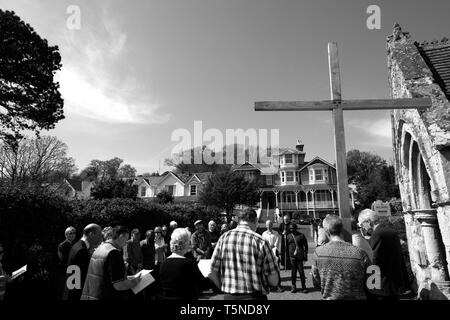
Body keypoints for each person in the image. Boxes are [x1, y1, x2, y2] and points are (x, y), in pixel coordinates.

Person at [210, 208, 280, 300]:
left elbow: (213, 271)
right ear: (255, 221)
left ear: (239, 220)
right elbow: (274, 280)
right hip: (255, 296)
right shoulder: (261, 241)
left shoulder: (224, 238)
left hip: (230, 296)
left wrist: (223, 288)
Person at [311, 215, 370, 300]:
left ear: (327, 231)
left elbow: (316, 281)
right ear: (342, 229)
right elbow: (373, 280)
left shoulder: (318, 253)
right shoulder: (360, 253)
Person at [358, 209, 410, 300]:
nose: (363, 228)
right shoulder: (391, 231)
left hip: (382, 285)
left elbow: (374, 260)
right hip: (395, 282)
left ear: (368, 222)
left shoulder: (377, 234)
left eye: (362, 225)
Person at [81, 226, 141, 300]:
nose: (126, 243)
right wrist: (135, 281)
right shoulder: (114, 253)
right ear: (121, 237)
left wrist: (125, 278)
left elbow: (104, 275)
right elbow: (119, 285)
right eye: (126, 239)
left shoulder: (100, 247)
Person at [159, 228, 208, 299]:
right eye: (189, 241)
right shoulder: (189, 264)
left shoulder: (163, 263)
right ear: (185, 243)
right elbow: (203, 285)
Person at [65, 224, 103, 300]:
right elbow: (84, 277)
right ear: (91, 234)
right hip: (77, 294)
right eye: (99, 235)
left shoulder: (77, 245)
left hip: (72, 290)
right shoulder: (82, 251)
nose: (101, 238)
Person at [261, 220, 283, 293]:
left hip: (274, 253)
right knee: (266, 270)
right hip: (266, 254)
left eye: (270, 224)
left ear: (272, 225)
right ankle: (268, 285)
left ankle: (278, 285)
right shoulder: (263, 234)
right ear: (266, 226)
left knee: (277, 270)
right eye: (267, 225)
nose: (269, 226)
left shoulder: (276, 233)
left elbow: (276, 243)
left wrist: (271, 247)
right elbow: (262, 243)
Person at [287, 223, 308, 293]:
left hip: (299, 257)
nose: (291, 229)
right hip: (292, 257)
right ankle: (293, 286)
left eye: (293, 228)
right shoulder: (288, 236)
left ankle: (303, 286)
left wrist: (305, 255)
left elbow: (306, 246)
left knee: (301, 271)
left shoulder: (301, 236)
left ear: (296, 228)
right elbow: (286, 248)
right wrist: (287, 258)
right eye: (290, 228)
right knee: (293, 272)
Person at [56, 226, 76, 299]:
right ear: (66, 235)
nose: (73, 235)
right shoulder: (62, 246)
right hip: (66, 272)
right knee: (66, 294)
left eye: (74, 233)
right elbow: (62, 260)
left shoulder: (76, 244)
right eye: (70, 233)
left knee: (73, 294)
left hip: (75, 272)